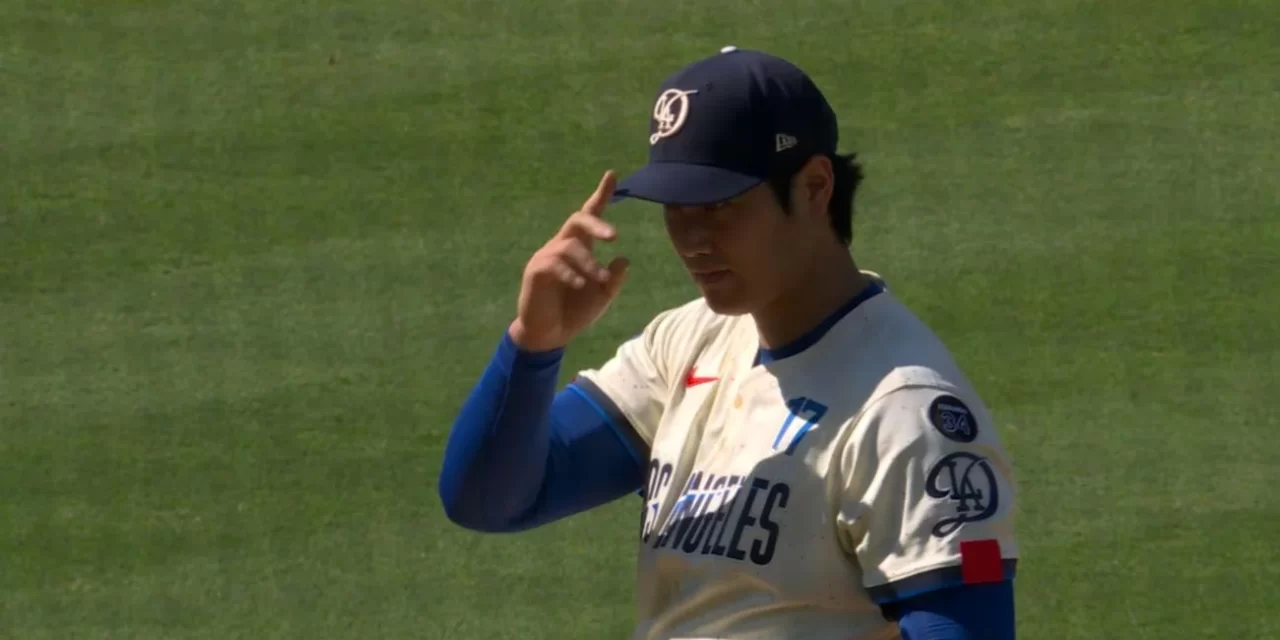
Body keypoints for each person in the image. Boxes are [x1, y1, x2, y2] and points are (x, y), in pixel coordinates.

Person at [438, 46, 1019, 640]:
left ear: (814, 187)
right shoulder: (687, 342)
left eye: (720, 205)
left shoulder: (903, 413)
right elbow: (488, 499)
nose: (692, 239)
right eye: (676, 208)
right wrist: (533, 346)